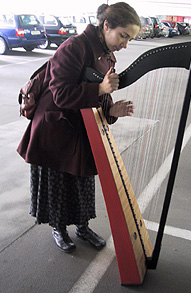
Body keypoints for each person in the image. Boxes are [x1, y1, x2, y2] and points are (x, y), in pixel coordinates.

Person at [17, 2, 141, 252]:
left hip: (82, 128)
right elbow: (61, 94)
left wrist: (111, 111)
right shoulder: (73, 47)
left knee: (82, 181)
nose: (125, 44)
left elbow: (102, 93)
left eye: (130, 39)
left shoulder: (106, 55)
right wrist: (100, 90)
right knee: (58, 183)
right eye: (123, 36)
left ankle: (82, 227)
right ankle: (58, 229)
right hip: (55, 129)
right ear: (106, 26)